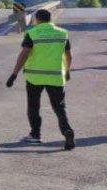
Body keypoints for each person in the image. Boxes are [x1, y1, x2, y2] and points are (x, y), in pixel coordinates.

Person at [6, 8, 75, 150]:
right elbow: (69, 56)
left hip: (34, 77)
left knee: (33, 106)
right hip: (56, 77)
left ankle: (35, 135)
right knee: (59, 107)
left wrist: (14, 74)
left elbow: (24, 55)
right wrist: (67, 71)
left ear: (37, 19)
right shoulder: (63, 33)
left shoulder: (32, 33)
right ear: (50, 19)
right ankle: (67, 131)